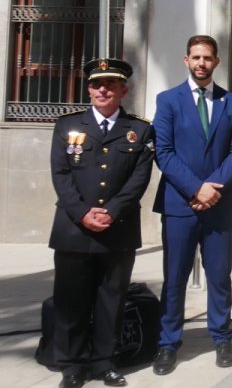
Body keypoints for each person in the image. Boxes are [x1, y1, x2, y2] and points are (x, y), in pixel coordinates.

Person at [49, 58, 153, 388]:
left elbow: (139, 177)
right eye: (96, 84)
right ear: (89, 89)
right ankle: (72, 364)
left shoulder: (139, 130)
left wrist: (113, 211)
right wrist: (83, 213)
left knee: (112, 299)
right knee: (71, 300)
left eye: (110, 84)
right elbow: (61, 175)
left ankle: (104, 362)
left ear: (124, 89)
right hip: (73, 228)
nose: (103, 89)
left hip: (117, 229)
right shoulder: (67, 126)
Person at [151, 35, 232, 375]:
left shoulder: (231, 101)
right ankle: (167, 343)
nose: (202, 63)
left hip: (218, 203)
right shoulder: (167, 100)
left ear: (217, 62)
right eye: (196, 57)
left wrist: (213, 186)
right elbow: (163, 151)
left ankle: (221, 337)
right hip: (180, 203)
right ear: (185, 59)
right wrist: (195, 188)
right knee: (174, 277)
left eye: (208, 57)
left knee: (219, 275)